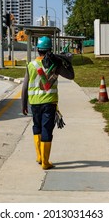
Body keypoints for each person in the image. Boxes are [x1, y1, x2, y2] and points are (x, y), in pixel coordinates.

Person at [21, 36, 74, 170]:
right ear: (50, 49)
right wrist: (65, 61)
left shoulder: (31, 65)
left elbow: (25, 86)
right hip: (49, 103)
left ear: (38, 50)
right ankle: (45, 162)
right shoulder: (55, 65)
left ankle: (39, 156)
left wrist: (23, 104)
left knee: (37, 127)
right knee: (46, 130)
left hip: (34, 104)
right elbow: (71, 76)